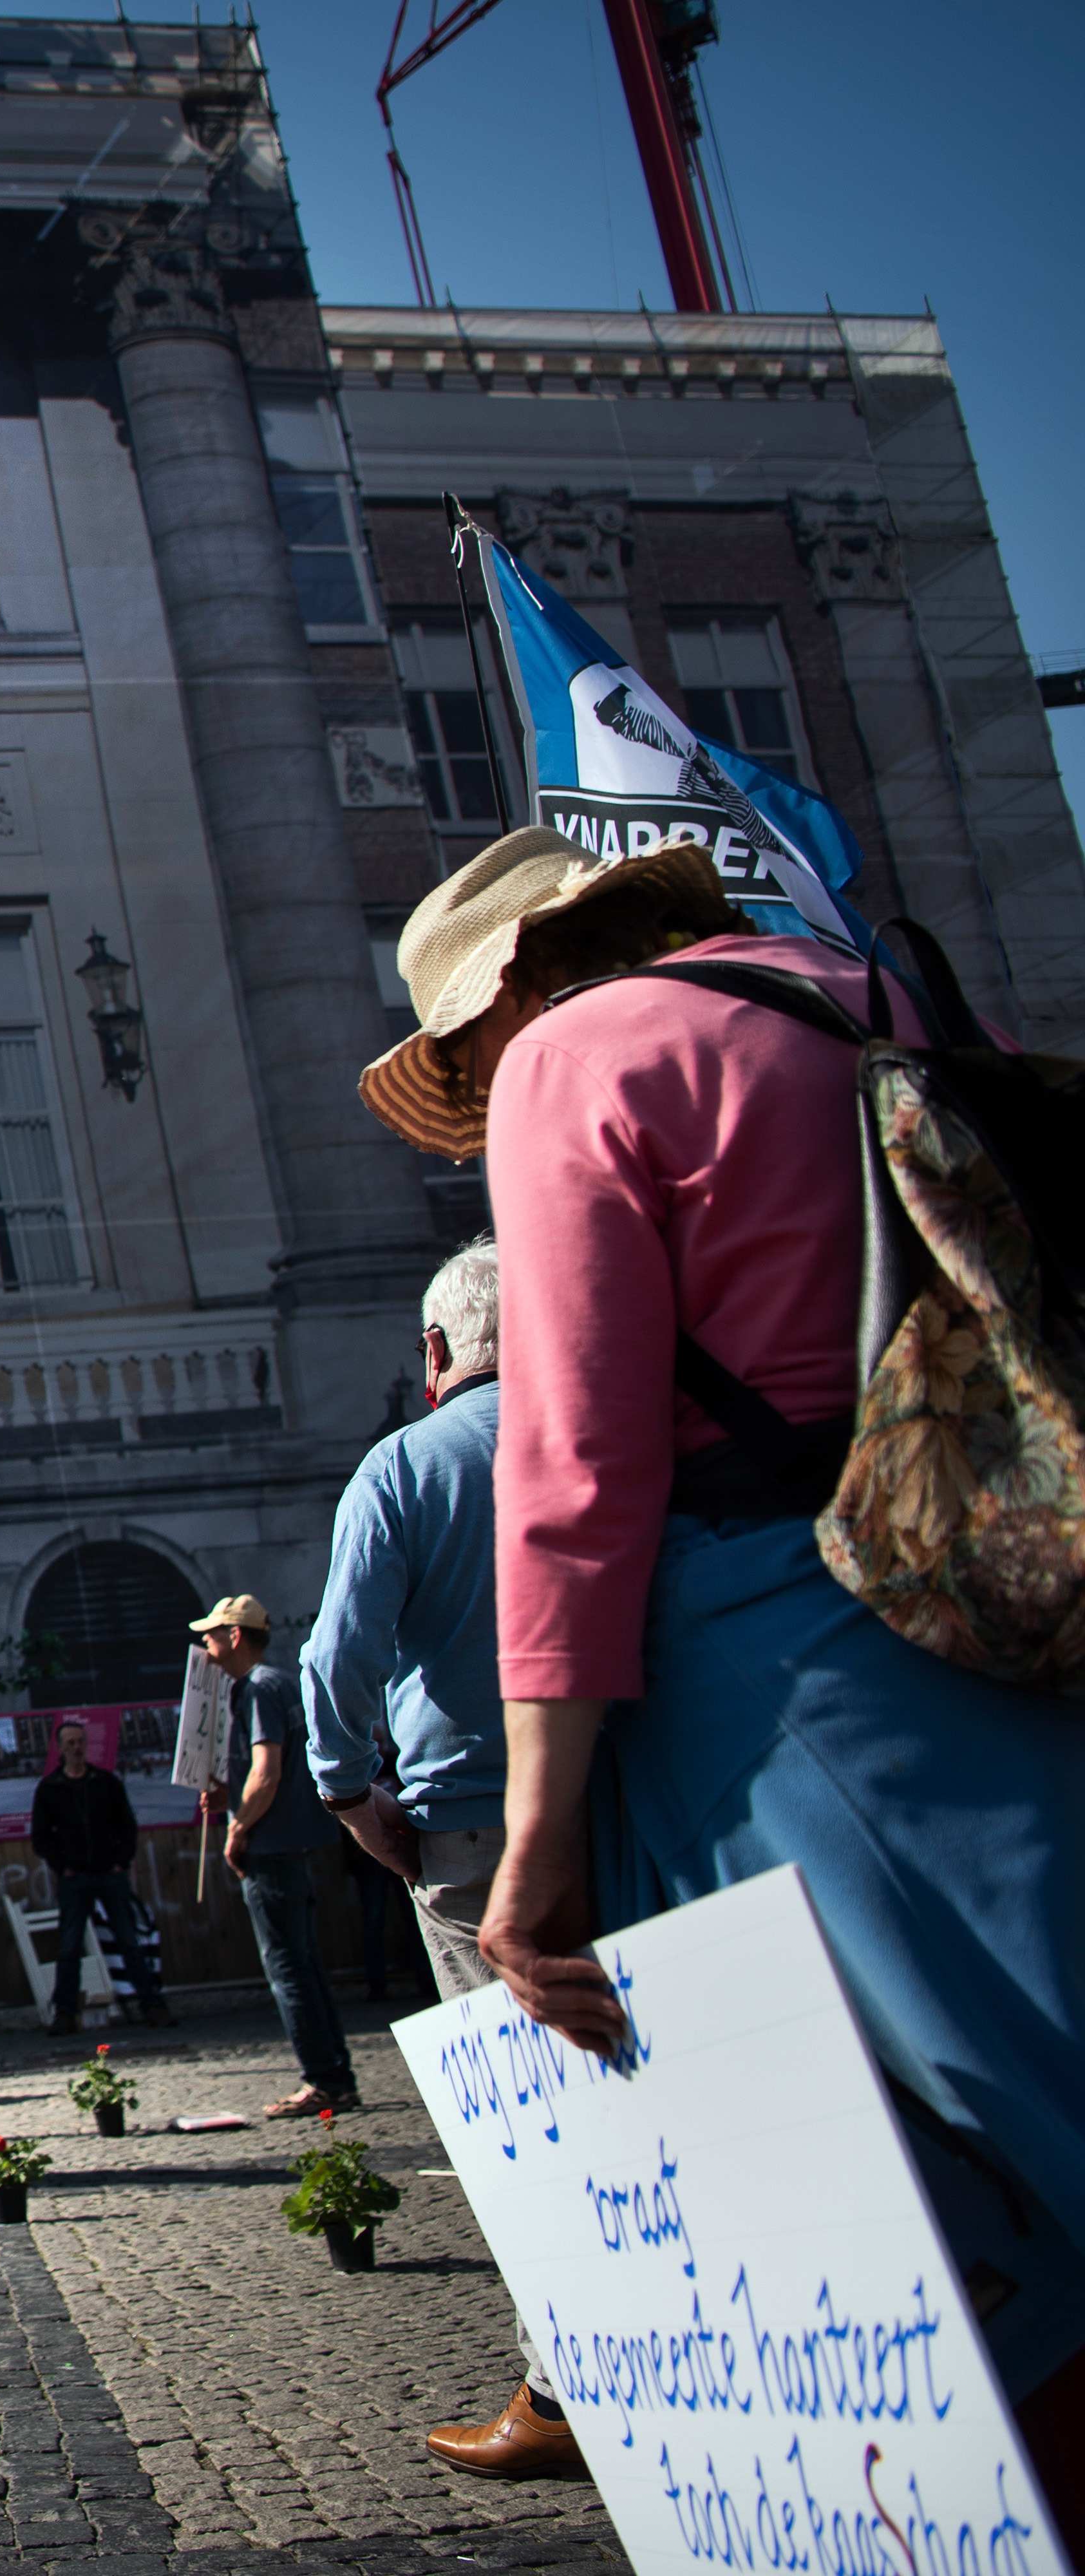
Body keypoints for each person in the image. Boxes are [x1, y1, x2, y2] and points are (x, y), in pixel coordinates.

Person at [366, 828, 1085, 2498]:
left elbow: (575, 1474)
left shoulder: (577, 1055)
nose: (481, 1093)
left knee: (942, 2176)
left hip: (798, 1662)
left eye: (465, 1050)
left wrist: (536, 1849)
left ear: (519, 983)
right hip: (991, 1574)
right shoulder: (859, 994)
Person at [299, 1233, 572, 2479]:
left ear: (434, 1352)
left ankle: (564, 2390)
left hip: (467, 1833)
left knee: (533, 2125)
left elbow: (335, 1662)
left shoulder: (407, 1468)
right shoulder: (615, 1433)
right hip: (631, 1808)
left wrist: (354, 1799)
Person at [194, 1596, 359, 2117]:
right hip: (295, 1844)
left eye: (212, 1633)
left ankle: (325, 2081)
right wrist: (231, 1801)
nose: (205, 1643)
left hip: (272, 1849)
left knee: (288, 1969)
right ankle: (336, 2076)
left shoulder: (257, 1688)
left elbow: (267, 1772)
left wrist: (237, 1829)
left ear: (235, 1636)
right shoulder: (282, 1682)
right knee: (305, 1966)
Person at [26, 1721, 167, 2034]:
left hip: (107, 1871)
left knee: (129, 1940)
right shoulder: (51, 1789)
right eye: (71, 1743)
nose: (77, 1748)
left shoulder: (105, 1783)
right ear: (61, 1749)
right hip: (75, 1875)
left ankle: (151, 2003)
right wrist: (62, 1866)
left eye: (80, 1742)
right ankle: (65, 2011)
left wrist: (121, 1861)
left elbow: (126, 1825)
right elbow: (40, 1836)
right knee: (70, 1945)